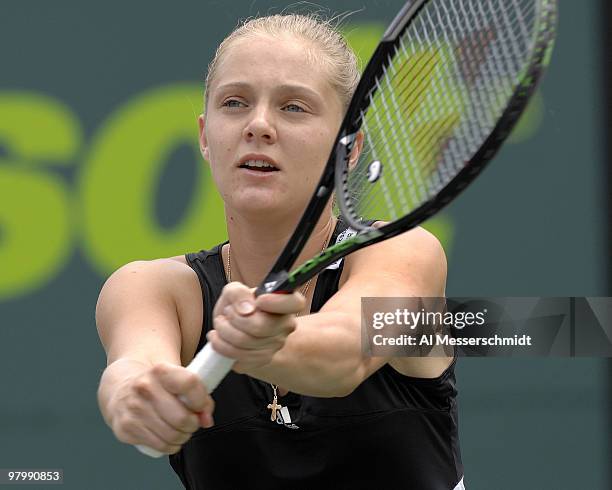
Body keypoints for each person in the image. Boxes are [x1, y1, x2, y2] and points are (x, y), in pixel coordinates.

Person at [96, 13, 464, 490]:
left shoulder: (401, 250)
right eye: (235, 102)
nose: (259, 125)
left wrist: (257, 343)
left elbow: (343, 354)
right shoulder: (154, 288)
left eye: (294, 107)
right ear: (206, 136)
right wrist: (134, 396)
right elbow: (133, 366)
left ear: (347, 148)